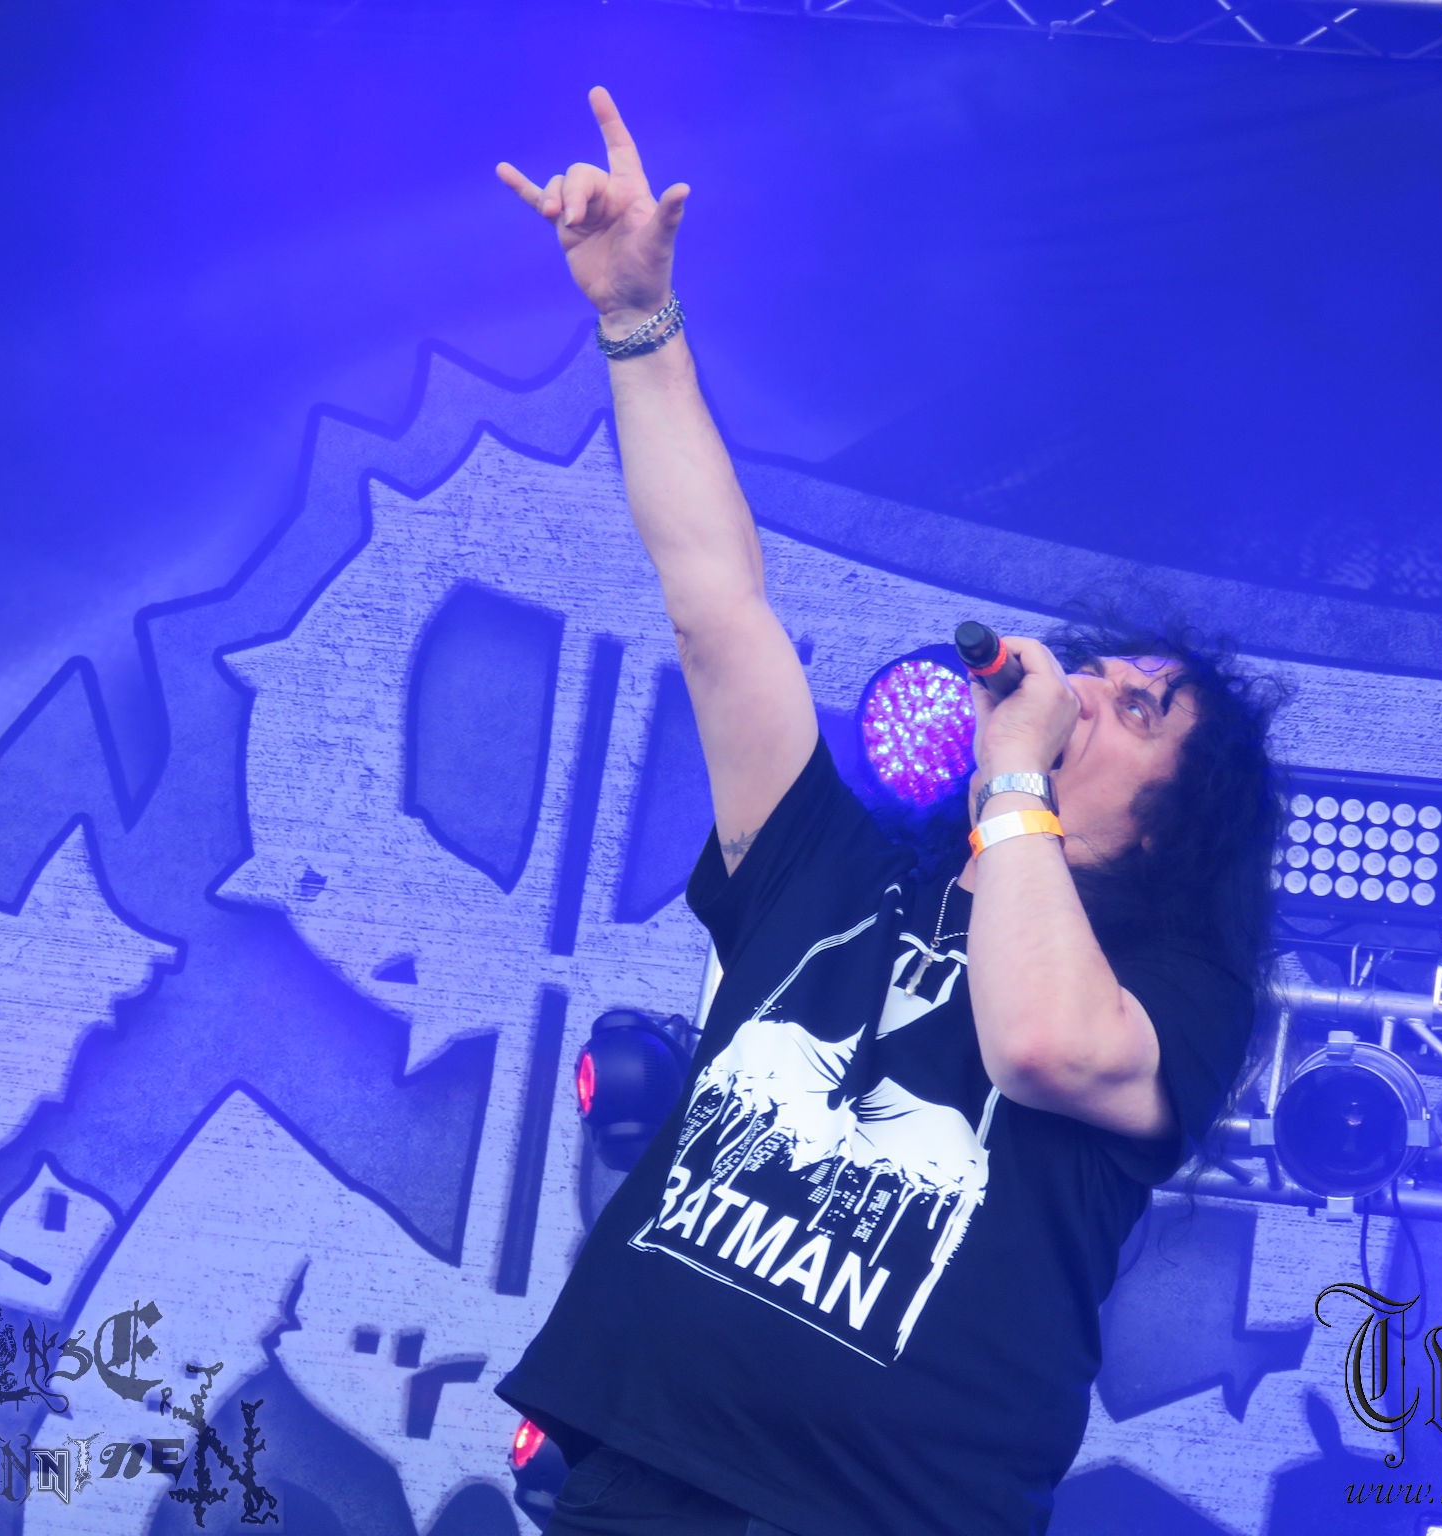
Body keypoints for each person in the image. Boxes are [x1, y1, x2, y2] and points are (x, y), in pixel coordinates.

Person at [491, 88, 1280, 1536]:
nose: (1090, 689)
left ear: (1174, 826)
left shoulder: (1182, 998)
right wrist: (638, 323)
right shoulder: (836, 870)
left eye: (1138, 709)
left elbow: (1039, 1044)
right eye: (1098, 670)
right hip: (638, 1482)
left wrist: (1019, 775)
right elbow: (718, 608)